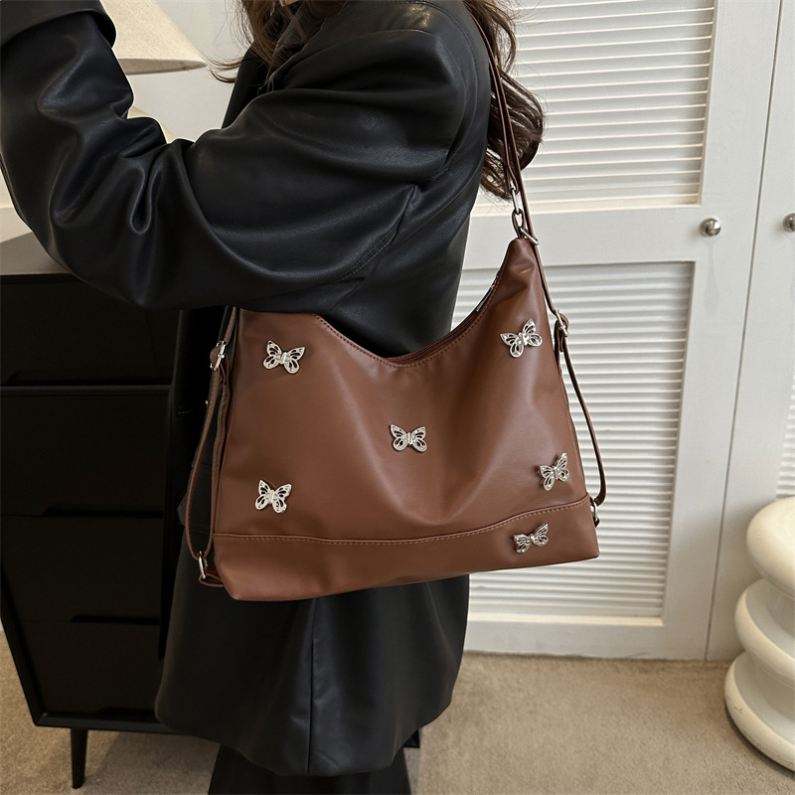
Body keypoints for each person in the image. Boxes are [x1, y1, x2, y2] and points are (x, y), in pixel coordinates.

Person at [0, 1, 542, 791]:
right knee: (290, 750)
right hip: (315, 487)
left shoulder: (399, 46)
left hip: (324, 521)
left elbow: (136, 215)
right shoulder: (356, 27)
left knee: (311, 749)